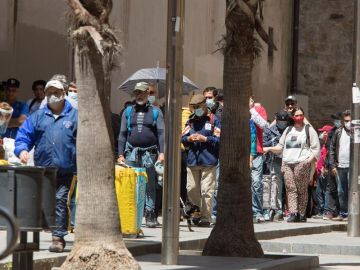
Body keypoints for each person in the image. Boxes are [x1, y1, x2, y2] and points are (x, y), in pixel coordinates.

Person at [14, 79, 77, 252]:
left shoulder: (75, 116)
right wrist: (22, 151)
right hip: (43, 170)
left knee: (59, 201)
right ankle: (32, 237)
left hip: (66, 170)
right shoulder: (38, 117)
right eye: (49, 93)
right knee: (39, 202)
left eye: (56, 92)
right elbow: (24, 136)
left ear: (63, 94)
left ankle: (58, 238)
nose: (52, 96)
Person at [117, 82, 165, 228]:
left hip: (150, 154)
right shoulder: (128, 111)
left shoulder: (156, 111)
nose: (139, 95)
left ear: (147, 94)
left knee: (150, 185)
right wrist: (120, 154)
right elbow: (122, 134)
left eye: (142, 93)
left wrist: (162, 153)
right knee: (131, 184)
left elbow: (161, 133)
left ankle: (150, 214)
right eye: (137, 93)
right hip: (131, 153)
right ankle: (131, 214)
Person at [264, 108, 320, 222]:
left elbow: (315, 149)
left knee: (301, 189)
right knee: (291, 188)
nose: (299, 117)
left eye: (301, 115)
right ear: (293, 117)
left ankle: (302, 213)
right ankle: (293, 212)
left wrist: (307, 162)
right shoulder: (288, 130)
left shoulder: (309, 130)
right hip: (287, 163)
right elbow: (280, 147)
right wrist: (269, 148)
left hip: (302, 163)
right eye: (296, 115)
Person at [181, 94, 221, 227]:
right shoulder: (190, 121)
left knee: (206, 191)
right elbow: (183, 137)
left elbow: (219, 140)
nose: (195, 110)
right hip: (193, 161)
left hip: (209, 161)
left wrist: (205, 139)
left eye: (198, 107)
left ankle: (206, 217)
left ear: (204, 106)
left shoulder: (213, 120)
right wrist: (189, 139)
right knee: (191, 188)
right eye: (194, 107)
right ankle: (196, 214)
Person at [262, 110, 291, 221]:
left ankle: (292, 210)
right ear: (276, 120)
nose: (282, 123)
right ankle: (277, 209)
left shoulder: (291, 130)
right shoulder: (270, 130)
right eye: (280, 121)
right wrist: (274, 141)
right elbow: (265, 143)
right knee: (276, 185)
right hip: (275, 160)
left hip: (289, 160)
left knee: (290, 186)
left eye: (284, 121)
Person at [203, 87, 222, 224]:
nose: (207, 100)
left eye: (209, 97)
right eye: (205, 97)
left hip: (218, 151)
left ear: (215, 97)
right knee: (206, 186)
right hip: (206, 152)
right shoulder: (203, 112)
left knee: (215, 184)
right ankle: (206, 212)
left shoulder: (220, 113)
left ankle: (213, 212)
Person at [329, 110, 351, 221]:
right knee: (341, 191)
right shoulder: (338, 132)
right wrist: (332, 165)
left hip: (353, 168)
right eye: (346, 121)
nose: (348, 123)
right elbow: (332, 149)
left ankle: (353, 214)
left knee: (352, 191)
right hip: (340, 166)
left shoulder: (356, 132)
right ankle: (344, 213)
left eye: (350, 121)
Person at [249, 97, 268, 223]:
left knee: (256, 182)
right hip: (240, 152)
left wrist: (251, 110)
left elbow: (263, 124)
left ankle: (257, 211)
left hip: (257, 151)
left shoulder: (259, 109)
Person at [313, 125, 334, 219]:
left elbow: (327, 158)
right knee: (319, 192)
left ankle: (326, 211)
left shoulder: (329, 144)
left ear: (327, 133)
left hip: (324, 172)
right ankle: (320, 211)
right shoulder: (323, 144)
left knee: (325, 191)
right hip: (319, 172)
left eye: (323, 131)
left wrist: (325, 167)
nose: (321, 133)